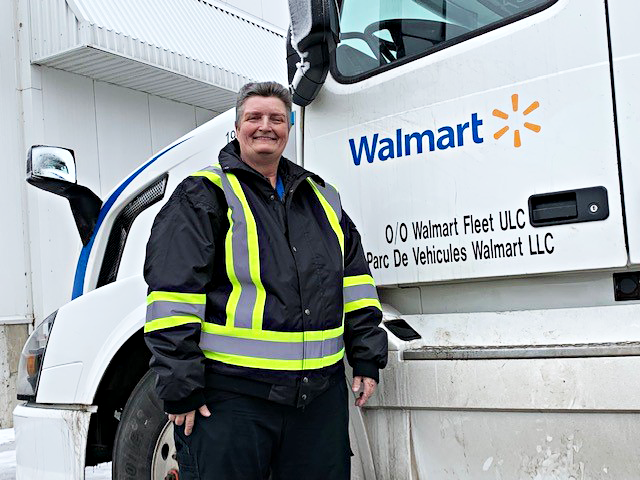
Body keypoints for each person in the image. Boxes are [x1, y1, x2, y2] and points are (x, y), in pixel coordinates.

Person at [143, 81, 388, 480]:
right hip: (233, 400)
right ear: (237, 127)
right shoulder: (203, 194)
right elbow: (172, 298)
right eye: (254, 117)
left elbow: (355, 283)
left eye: (276, 118)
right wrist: (180, 386)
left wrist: (366, 357)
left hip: (318, 400)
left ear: (289, 128)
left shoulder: (322, 197)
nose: (265, 126)